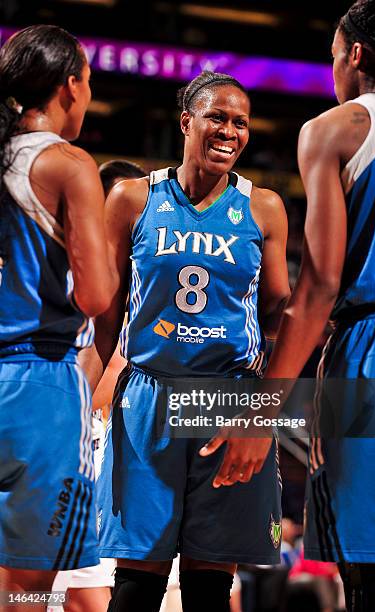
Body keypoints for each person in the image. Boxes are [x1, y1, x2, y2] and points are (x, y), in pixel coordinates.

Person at [83, 70, 290, 612]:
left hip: (226, 400)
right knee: (136, 581)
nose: (229, 130)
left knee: (209, 587)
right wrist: (83, 400)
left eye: (240, 122)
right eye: (217, 117)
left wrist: (261, 407)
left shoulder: (263, 207)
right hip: (148, 395)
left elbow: (279, 312)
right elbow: (105, 316)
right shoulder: (132, 198)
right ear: (186, 121)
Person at [249, 0, 375, 610]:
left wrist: (261, 409)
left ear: (356, 56)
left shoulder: (337, 128)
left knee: (374, 574)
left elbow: (317, 286)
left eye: (334, 56)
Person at [0, 24, 118, 607]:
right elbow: (96, 296)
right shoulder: (67, 164)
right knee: (26, 589)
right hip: (38, 383)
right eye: (90, 82)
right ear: (70, 86)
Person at [48, 160, 146, 612]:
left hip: (111, 478)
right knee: (29, 593)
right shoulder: (50, 292)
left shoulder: (145, 314)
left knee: (84, 598)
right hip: (51, 461)